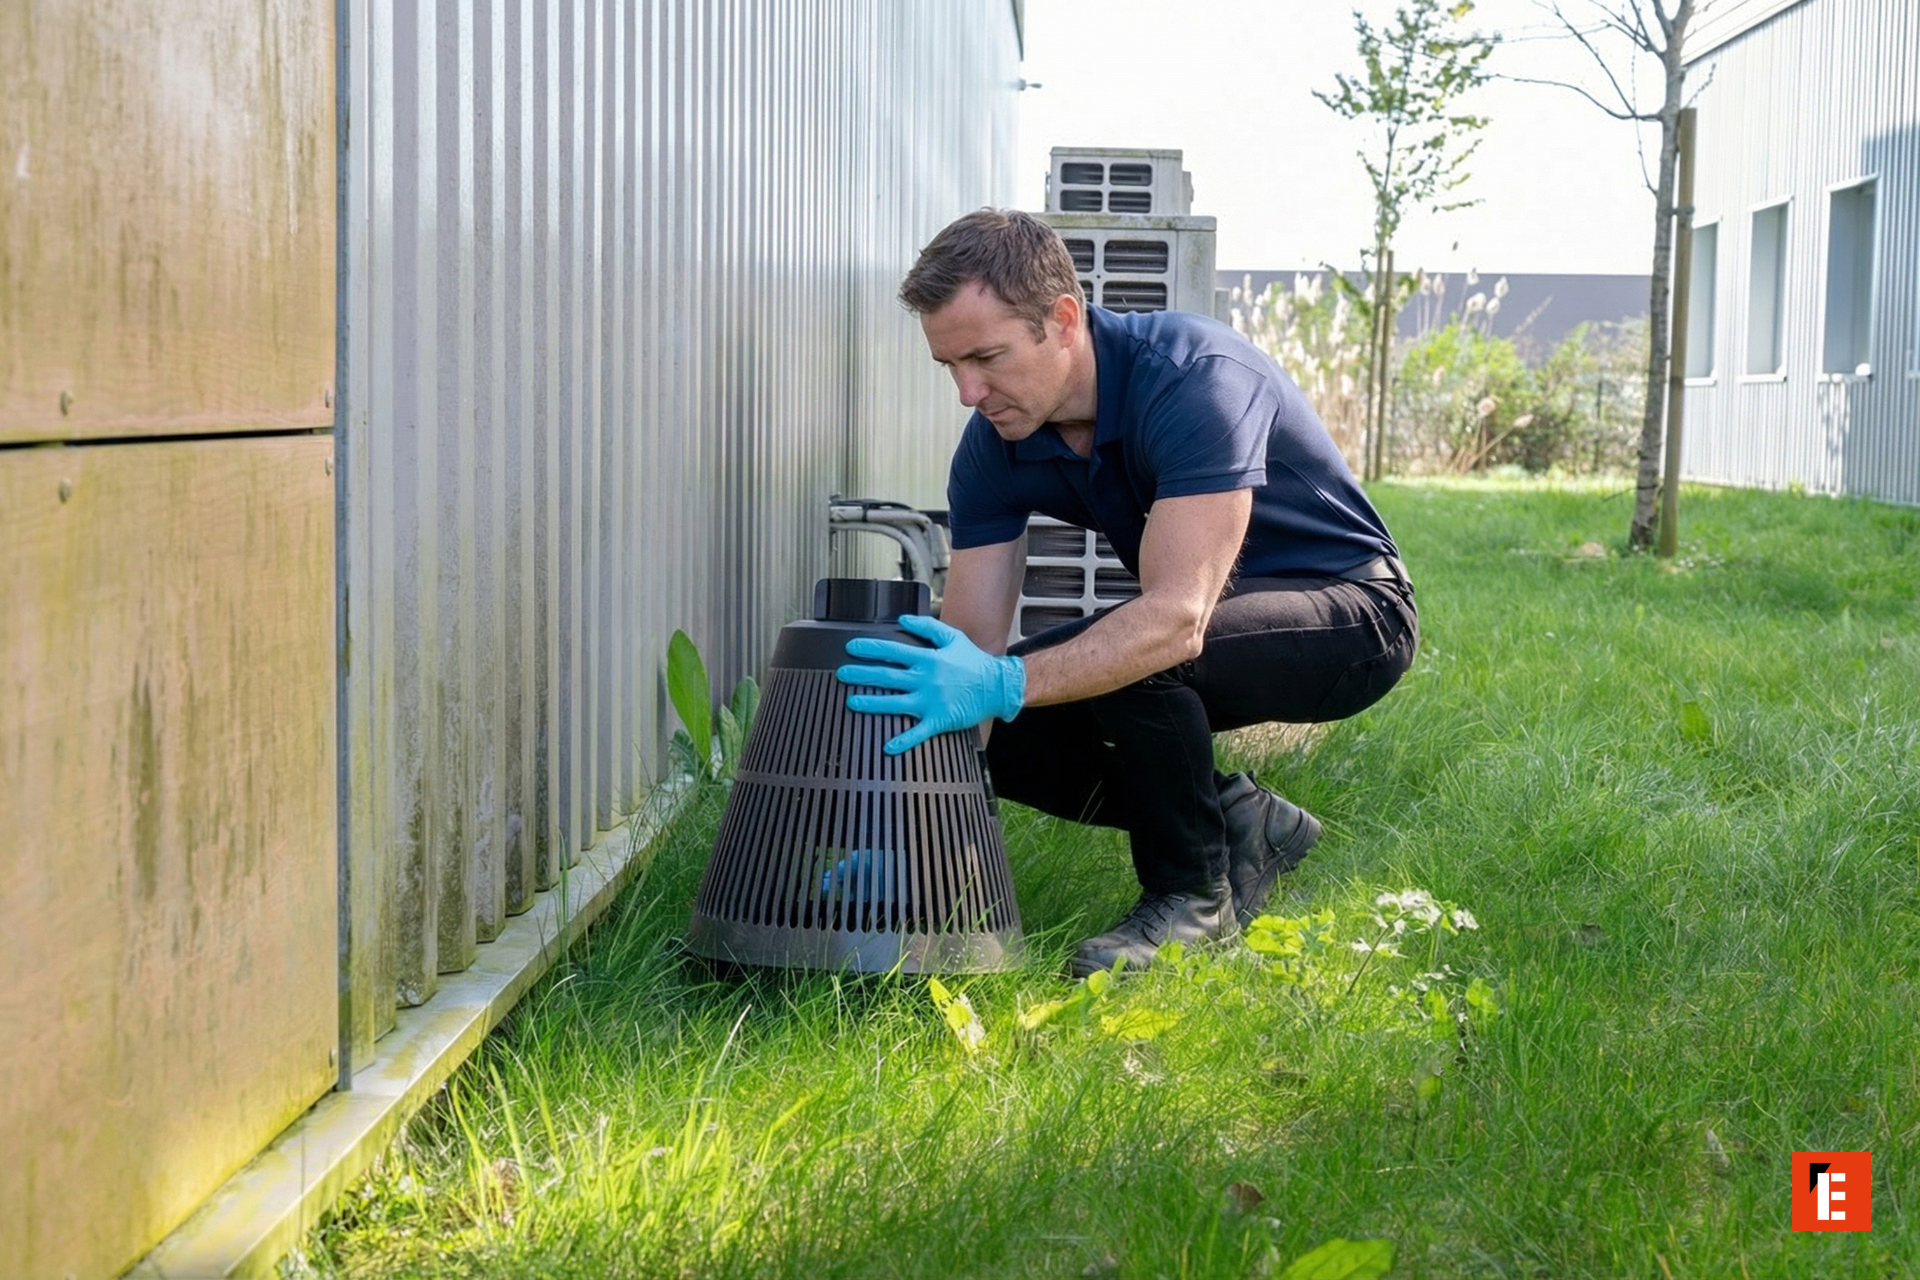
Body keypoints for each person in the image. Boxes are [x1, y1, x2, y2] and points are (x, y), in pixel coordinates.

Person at [835, 209, 1417, 977]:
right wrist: (916, 846)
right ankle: (1241, 821)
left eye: (987, 357)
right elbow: (968, 654)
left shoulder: (1195, 379)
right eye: (950, 366)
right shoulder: (995, 445)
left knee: (1134, 655)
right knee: (998, 725)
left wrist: (1009, 680)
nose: (968, 392)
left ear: (1063, 320)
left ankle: (1193, 901)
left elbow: (1175, 621)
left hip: (1351, 615)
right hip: (1211, 624)